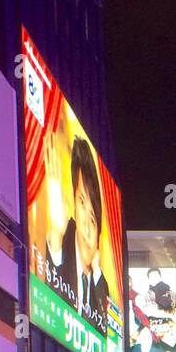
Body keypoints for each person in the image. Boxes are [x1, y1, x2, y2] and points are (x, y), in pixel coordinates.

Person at [43, 133, 110, 329]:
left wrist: (96, 270)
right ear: (72, 203)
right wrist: (55, 235)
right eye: (81, 201)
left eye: (93, 218)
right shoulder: (60, 244)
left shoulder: (100, 283)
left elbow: (108, 330)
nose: (87, 227)